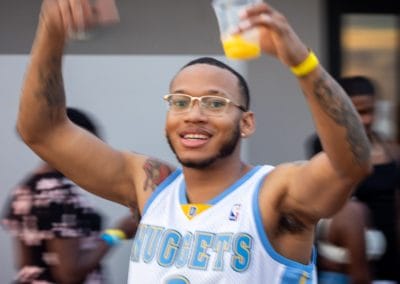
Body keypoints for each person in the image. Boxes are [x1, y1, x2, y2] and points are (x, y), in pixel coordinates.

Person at [15, 0, 372, 283]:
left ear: (246, 123)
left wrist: (302, 63)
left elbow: (349, 164)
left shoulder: (271, 194)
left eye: (215, 103)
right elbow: (41, 132)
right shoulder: (150, 186)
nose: (194, 114)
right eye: (180, 102)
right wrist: (51, 28)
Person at [2, 107, 138, 284]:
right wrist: (117, 232)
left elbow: (24, 265)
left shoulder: (23, 190)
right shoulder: (61, 196)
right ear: (72, 144)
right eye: (94, 147)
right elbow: (70, 274)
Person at [306, 76, 400, 283]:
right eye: (359, 112)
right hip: (347, 254)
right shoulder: (324, 144)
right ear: (343, 109)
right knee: (353, 211)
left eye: (370, 111)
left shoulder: (390, 149)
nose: (366, 120)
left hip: (389, 252)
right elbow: (322, 199)